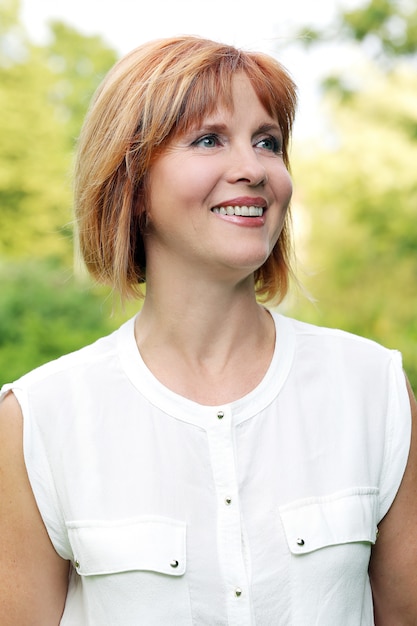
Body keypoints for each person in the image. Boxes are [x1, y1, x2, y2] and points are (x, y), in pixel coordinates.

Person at [0, 35, 416, 626]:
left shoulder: (373, 389)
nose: (251, 169)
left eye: (267, 142)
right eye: (208, 139)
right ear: (133, 184)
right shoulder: (39, 419)